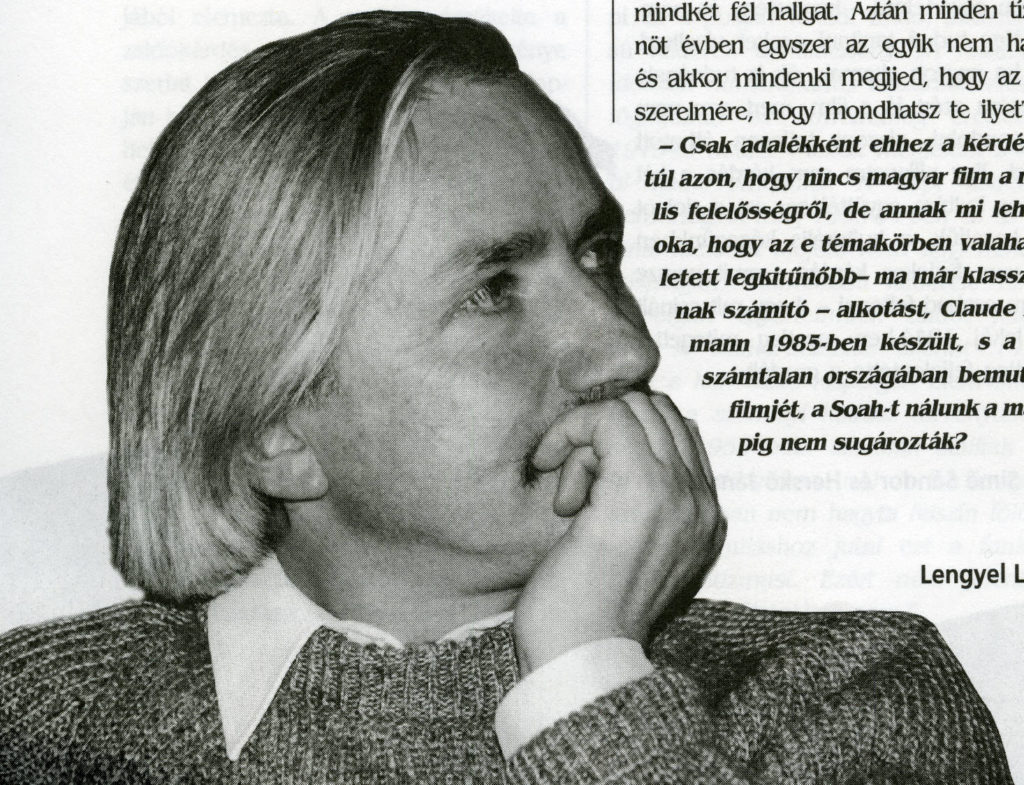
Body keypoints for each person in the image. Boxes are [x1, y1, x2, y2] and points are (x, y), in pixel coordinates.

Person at [0, 11, 1012, 784]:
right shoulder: (35, 722)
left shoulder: (850, 695)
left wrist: (585, 674)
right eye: (492, 290)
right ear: (273, 429)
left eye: (597, 253)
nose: (625, 346)